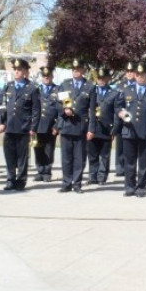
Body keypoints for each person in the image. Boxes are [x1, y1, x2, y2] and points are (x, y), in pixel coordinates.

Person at [114, 64, 146, 197]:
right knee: (129, 161)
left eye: (143, 75)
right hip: (129, 131)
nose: (140, 77)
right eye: (138, 75)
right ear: (135, 75)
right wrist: (120, 113)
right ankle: (129, 187)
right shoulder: (127, 89)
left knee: (144, 162)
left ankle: (141, 188)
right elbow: (118, 106)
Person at [0, 58, 39, 191]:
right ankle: (10, 180)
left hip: (24, 127)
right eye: (15, 70)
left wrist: (33, 127)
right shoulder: (8, 86)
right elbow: (3, 106)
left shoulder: (32, 88)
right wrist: (1, 122)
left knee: (22, 157)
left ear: (25, 72)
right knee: (9, 155)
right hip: (10, 127)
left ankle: (21, 181)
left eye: (19, 70)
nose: (16, 72)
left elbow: (36, 110)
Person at [57, 59, 93, 193]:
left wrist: (91, 129)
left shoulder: (89, 86)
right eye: (73, 69)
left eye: (78, 69)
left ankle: (77, 183)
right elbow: (59, 102)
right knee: (66, 157)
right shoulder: (65, 84)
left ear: (83, 70)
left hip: (81, 126)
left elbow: (92, 110)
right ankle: (66, 183)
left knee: (79, 157)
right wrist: (66, 109)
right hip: (67, 125)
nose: (75, 71)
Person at [86, 67, 118, 185]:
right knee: (92, 154)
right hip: (92, 128)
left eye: (104, 78)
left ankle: (102, 177)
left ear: (108, 78)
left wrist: (115, 128)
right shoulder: (91, 90)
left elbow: (116, 112)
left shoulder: (114, 93)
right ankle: (92, 176)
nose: (101, 80)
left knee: (104, 155)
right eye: (99, 78)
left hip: (106, 128)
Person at [33, 66, 60, 181]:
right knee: (38, 148)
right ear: (41, 77)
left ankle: (47, 172)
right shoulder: (36, 90)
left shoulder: (58, 89)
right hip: (38, 125)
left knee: (49, 149)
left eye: (48, 76)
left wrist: (57, 125)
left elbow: (62, 110)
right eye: (44, 76)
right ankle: (40, 171)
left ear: (52, 76)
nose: (46, 78)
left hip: (51, 125)